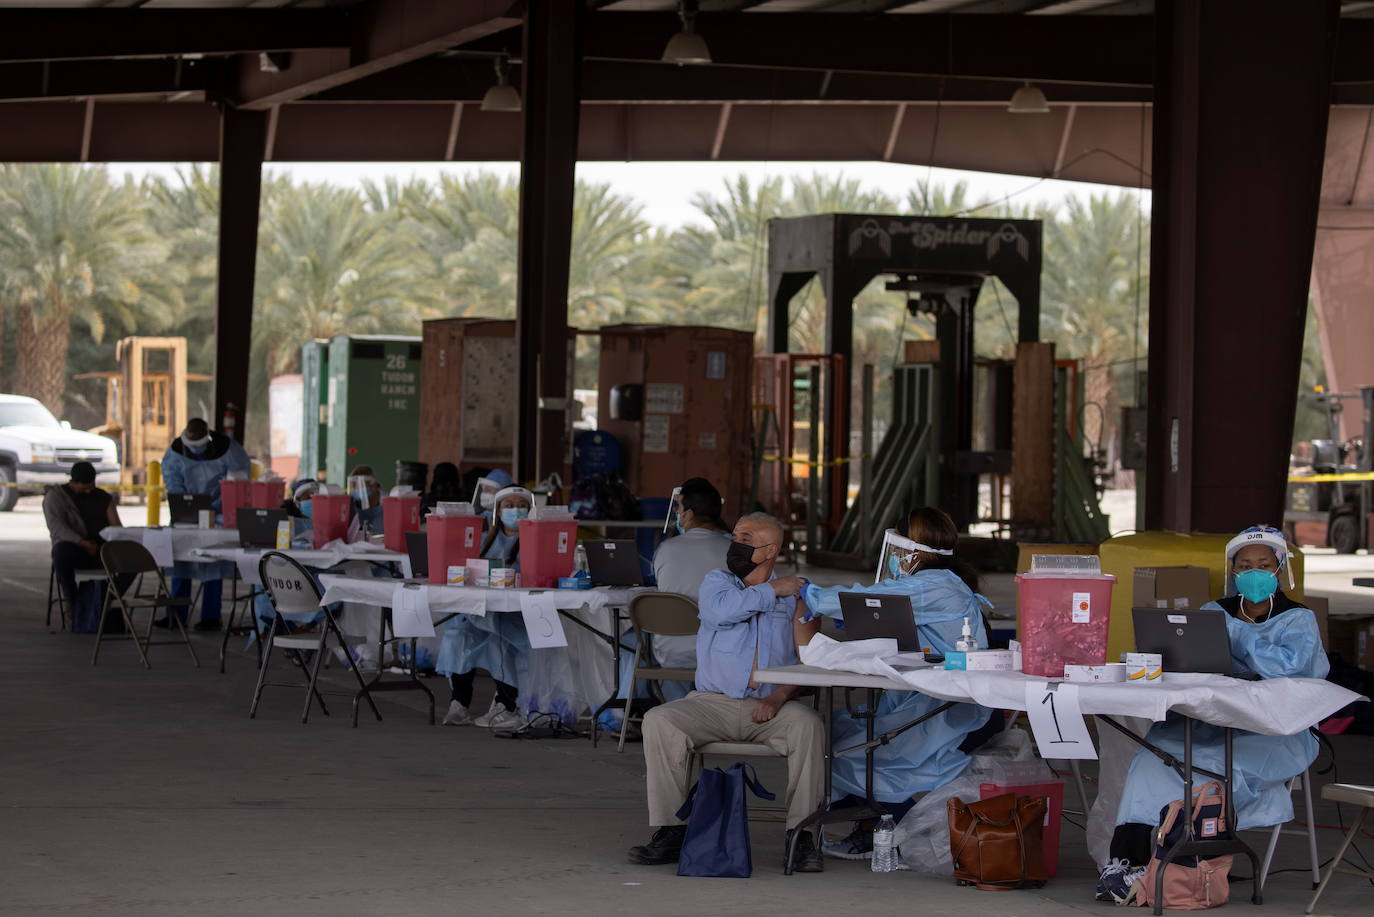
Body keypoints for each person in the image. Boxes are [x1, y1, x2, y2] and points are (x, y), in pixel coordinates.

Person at [1095, 524, 1328, 904]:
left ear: (1280, 568)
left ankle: (1176, 863)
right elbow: (1191, 659)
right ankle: (1129, 861)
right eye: (1245, 565)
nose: (1254, 572)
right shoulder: (1211, 612)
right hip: (1210, 722)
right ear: (1232, 572)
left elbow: (1290, 668)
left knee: (1207, 764)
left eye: (1264, 564)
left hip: (1274, 730)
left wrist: (1238, 636)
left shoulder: (1298, 619)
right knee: (1154, 756)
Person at [627, 512, 827, 874]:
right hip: (711, 704)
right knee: (660, 720)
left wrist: (777, 697)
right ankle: (672, 830)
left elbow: (809, 660)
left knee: (809, 725)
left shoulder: (797, 599)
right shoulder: (717, 584)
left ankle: (802, 836)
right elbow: (720, 614)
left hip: (770, 708)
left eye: (747, 539)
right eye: (735, 535)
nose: (736, 544)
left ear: (770, 551)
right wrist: (773, 589)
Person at [802, 506, 994, 860]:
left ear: (911, 544)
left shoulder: (932, 586)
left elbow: (856, 601)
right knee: (837, 737)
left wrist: (805, 593)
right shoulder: (939, 582)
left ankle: (896, 833)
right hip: (920, 698)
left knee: (846, 756)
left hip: (943, 708)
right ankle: (872, 827)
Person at [437, 484, 534, 731]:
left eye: (522, 505)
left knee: (497, 641)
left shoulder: (535, 542)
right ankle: (459, 703)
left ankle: (506, 703)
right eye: (509, 505)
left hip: (514, 614)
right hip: (481, 610)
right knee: (456, 634)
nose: (516, 510)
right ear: (498, 511)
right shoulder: (482, 540)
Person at [160, 418, 250, 630]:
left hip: (217, 515)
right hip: (186, 516)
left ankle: (211, 616)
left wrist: (216, 507)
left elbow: (236, 482)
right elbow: (173, 481)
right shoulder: (175, 452)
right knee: (180, 561)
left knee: (213, 561)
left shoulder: (228, 450)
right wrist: (185, 505)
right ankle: (175, 614)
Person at [43, 461, 122, 603]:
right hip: (76, 551)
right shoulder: (56, 497)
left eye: (91, 487)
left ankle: (104, 601)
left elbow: (117, 528)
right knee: (60, 552)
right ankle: (73, 603)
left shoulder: (103, 498)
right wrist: (83, 543)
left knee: (133, 560)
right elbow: (58, 528)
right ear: (73, 482)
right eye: (84, 488)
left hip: (102, 552)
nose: (88, 492)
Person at [348, 464, 383, 533]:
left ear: (373, 485)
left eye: (358, 487)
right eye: (353, 487)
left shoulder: (388, 504)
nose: (355, 491)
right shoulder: (352, 505)